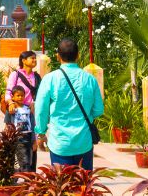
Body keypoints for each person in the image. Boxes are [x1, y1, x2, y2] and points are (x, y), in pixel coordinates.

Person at [34, 37, 104, 171]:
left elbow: (41, 110)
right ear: (78, 55)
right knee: (83, 187)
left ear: (57, 56)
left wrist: (41, 133)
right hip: (84, 142)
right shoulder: (90, 79)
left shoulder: (50, 79)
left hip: (59, 143)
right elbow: (98, 110)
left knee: (63, 186)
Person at [4, 86, 36, 173]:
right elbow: (7, 125)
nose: (20, 97)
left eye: (22, 95)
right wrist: (6, 138)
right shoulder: (11, 110)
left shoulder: (28, 109)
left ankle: (17, 174)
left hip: (28, 138)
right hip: (18, 138)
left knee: (29, 162)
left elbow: (33, 125)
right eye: (18, 95)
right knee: (24, 161)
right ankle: (24, 179)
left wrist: (34, 141)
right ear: (13, 97)